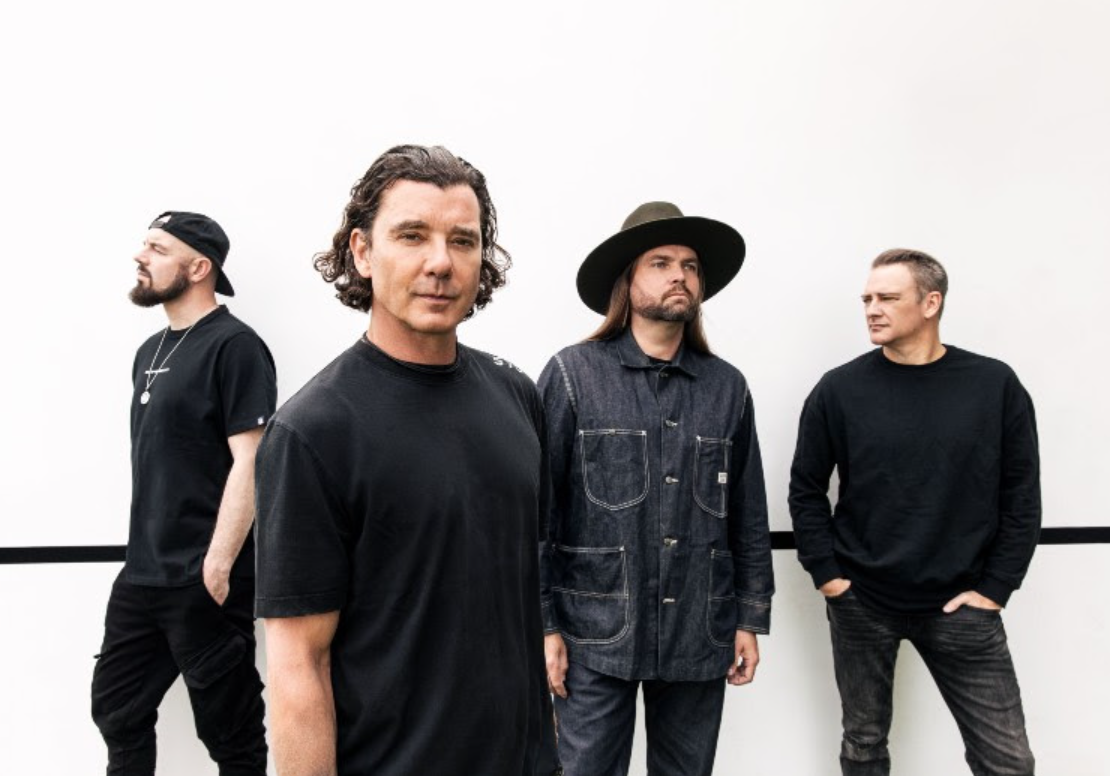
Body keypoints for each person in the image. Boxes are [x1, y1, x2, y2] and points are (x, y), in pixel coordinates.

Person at [254, 144, 553, 775]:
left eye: (463, 241)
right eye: (412, 236)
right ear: (362, 252)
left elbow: (515, 604)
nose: (440, 262)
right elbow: (297, 663)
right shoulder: (314, 430)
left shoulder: (516, 396)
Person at [539, 201, 774, 776]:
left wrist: (750, 617)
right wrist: (543, 626)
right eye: (661, 263)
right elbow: (540, 513)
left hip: (699, 626)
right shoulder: (573, 374)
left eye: (690, 266)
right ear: (628, 280)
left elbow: (747, 512)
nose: (680, 276)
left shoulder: (727, 387)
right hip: (595, 630)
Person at [789, 248, 1039, 775]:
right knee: (863, 744)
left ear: (931, 302)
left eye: (887, 298)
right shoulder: (839, 389)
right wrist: (830, 578)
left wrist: (995, 589)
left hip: (962, 606)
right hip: (863, 602)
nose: (872, 309)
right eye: (866, 299)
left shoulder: (994, 385)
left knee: (1008, 761)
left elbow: (1021, 496)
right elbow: (806, 489)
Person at [91, 211, 275, 775]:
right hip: (143, 573)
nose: (140, 255)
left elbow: (251, 460)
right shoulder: (149, 351)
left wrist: (217, 564)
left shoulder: (235, 346)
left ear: (198, 268)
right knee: (117, 711)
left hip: (202, 576)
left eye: (157, 247)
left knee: (232, 735)